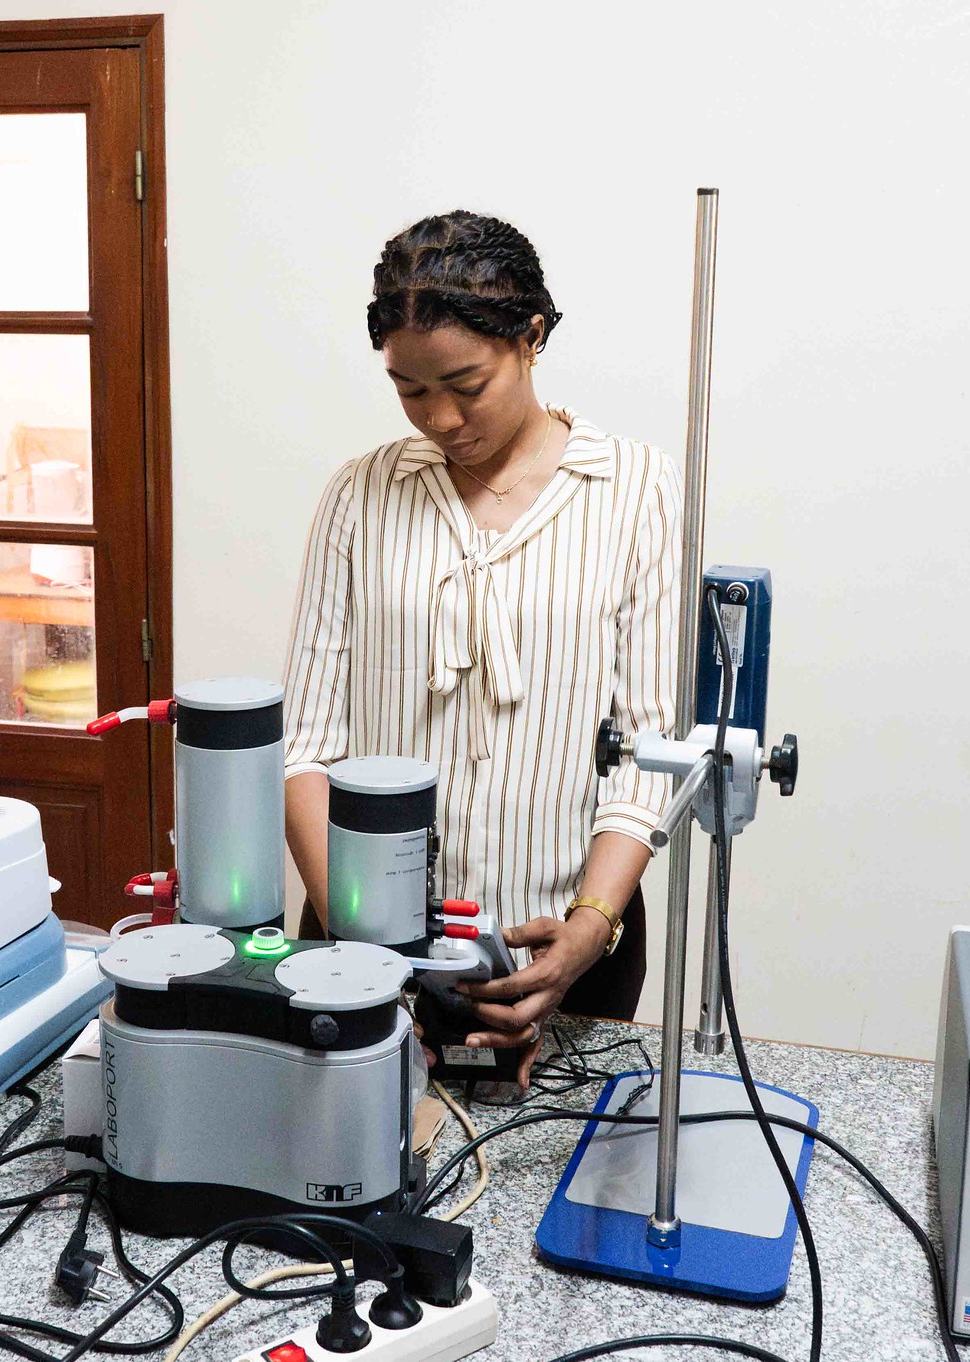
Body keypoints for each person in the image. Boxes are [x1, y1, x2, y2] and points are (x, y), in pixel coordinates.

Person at [281, 210, 683, 1085]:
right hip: (365, 945)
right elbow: (307, 750)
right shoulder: (360, 496)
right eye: (410, 390)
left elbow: (650, 751)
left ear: (530, 336)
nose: (442, 416)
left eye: (466, 382)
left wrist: (585, 932)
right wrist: (367, 954)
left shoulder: (635, 490)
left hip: (570, 940)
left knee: (551, 1167)